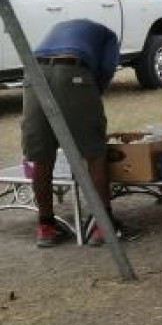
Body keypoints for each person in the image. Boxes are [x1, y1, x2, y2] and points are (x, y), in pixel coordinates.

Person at [22, 20, 139, 247]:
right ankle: (102, 226)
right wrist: (87, 101)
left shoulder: (61, 27)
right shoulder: (110, 36)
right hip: (71, 71)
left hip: (34, 74)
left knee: (41, 158)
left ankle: (46, 227)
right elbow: (104, 73)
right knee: (94, 154)